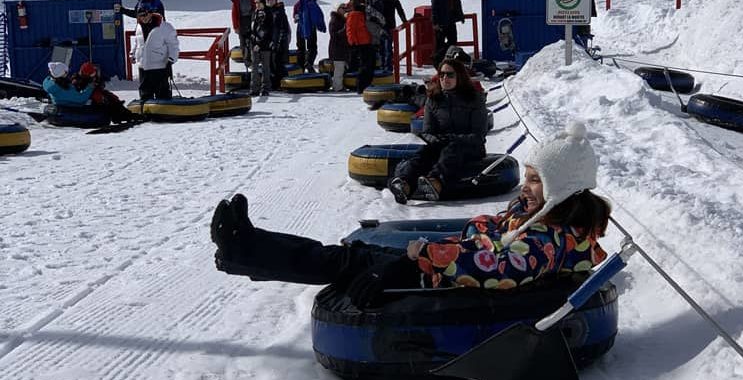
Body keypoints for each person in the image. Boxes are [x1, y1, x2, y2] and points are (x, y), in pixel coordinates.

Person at [210, 122, 610, 305]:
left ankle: (243, 249)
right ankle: (246, 245)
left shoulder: (549, 239)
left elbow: (498, 270)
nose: (526, 187)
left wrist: (427, 256)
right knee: (344, 257)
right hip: (450, 264)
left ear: (564, 189)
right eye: (527, 177)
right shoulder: (539, 217)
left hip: (451, 281)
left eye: (536, 181)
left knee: (346, 260)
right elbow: (493, 235)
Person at [386, 57, 487, 203]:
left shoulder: (474, 99)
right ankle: (405, 184)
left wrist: (452, 138)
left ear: (459, 76)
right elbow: (427, 131)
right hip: (443, 144)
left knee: (452, 150)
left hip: (469, 146)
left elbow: (479, 135)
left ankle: (436, 181)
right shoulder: (433, 100)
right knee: (424, 153)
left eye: (450, 75)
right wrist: (434, 139)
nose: (445, 78)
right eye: (442, 75)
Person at [430, 0, 482, 67]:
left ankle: (446, 61)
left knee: (453, 43)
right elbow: (433, 9)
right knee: (440, 45)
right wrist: (435, 23)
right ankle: (437, 62)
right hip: (441, 24)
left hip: (451, 22)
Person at [132, 12, 179, 101]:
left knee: (162, 92)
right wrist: (133, 53)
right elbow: (137, 42)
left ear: (150, 14)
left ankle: (165, 111)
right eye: (140, 16)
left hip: (159, 66)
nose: (143, 18)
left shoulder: (165, 27)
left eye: (145, 15)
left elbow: (173, 45)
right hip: (143, 66)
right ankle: (146, 111)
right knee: (145, 93)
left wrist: (172, 59)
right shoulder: (139, 26)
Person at [72, 62, 138, 124]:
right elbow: (79, 94)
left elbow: (101, 84)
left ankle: (124, 112)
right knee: (105, 100)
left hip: (95, 95)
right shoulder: (77, 80)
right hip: (88, 100)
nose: (93, 75)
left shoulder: (92, 77)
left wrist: (97, 85)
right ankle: (119, 115)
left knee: (110, 96)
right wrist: (90, 87)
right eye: (91, 74)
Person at [292, 0, 326, 73]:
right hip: (311, 28)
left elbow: (295, 18)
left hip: (300, 28)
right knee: (312, 47)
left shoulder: (297, 5)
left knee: (300, 48)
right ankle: (309, 62)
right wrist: (320, 26)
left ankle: (301, 67)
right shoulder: (311, 2)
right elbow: (318, 15)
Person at [345, 0, 375, 94]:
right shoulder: (354, 15)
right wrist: (353, 43)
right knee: (364, 66)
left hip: (367, 41)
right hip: (360, 43)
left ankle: (366, 84)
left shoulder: (364, 13)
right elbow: (350, 29)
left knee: (369, 64)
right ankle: (361, 86)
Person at [378, 0, 407, 69]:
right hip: (379, 28)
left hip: (390, 27)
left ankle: (389, 68)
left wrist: (404, 21)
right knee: (381, 49)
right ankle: (382, 67)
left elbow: (400, 10)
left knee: (388, 49)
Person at [249, 0, 273, 98]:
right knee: (254, 67)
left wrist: (260, 43)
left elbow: (268, 30)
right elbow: (252, 28)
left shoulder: (268, 13)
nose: (257, 4)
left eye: (258, 2)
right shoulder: (255, 12)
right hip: (254, 44)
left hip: (265, 44)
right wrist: (253, 41)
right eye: (255, 3)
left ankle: (265, 88)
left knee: (265, 67)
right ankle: (254, 88)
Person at [267, 0, 291, 89]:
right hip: (271, 41)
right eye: (269, 0)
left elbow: (284, 28)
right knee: (272, 63)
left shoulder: (280, 11)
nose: (271, 1)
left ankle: (283, 82)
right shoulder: (268, 11)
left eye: (273, 0)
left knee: (279, 63)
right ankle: (275, 83)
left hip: (280, 41)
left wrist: (280, 41)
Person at [231, 0, 254, 69]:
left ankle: (253, 59)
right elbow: (234, 15)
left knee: (251, 41)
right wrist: (236, 27)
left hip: (250, 21)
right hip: (241, 22)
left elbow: (255, 9)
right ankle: (247, 62)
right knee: (243, 43)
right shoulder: (237, 1)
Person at [328, 3, 350, 91]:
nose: (345, 10)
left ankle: (339, 85)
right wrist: (344, 29)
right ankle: (337, 87)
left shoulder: (342, 20)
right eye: (343, 8)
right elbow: (334, 35)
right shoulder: (334, 20)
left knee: (341, 68)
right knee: (339, 69)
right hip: (336, 49)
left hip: (341, 48)